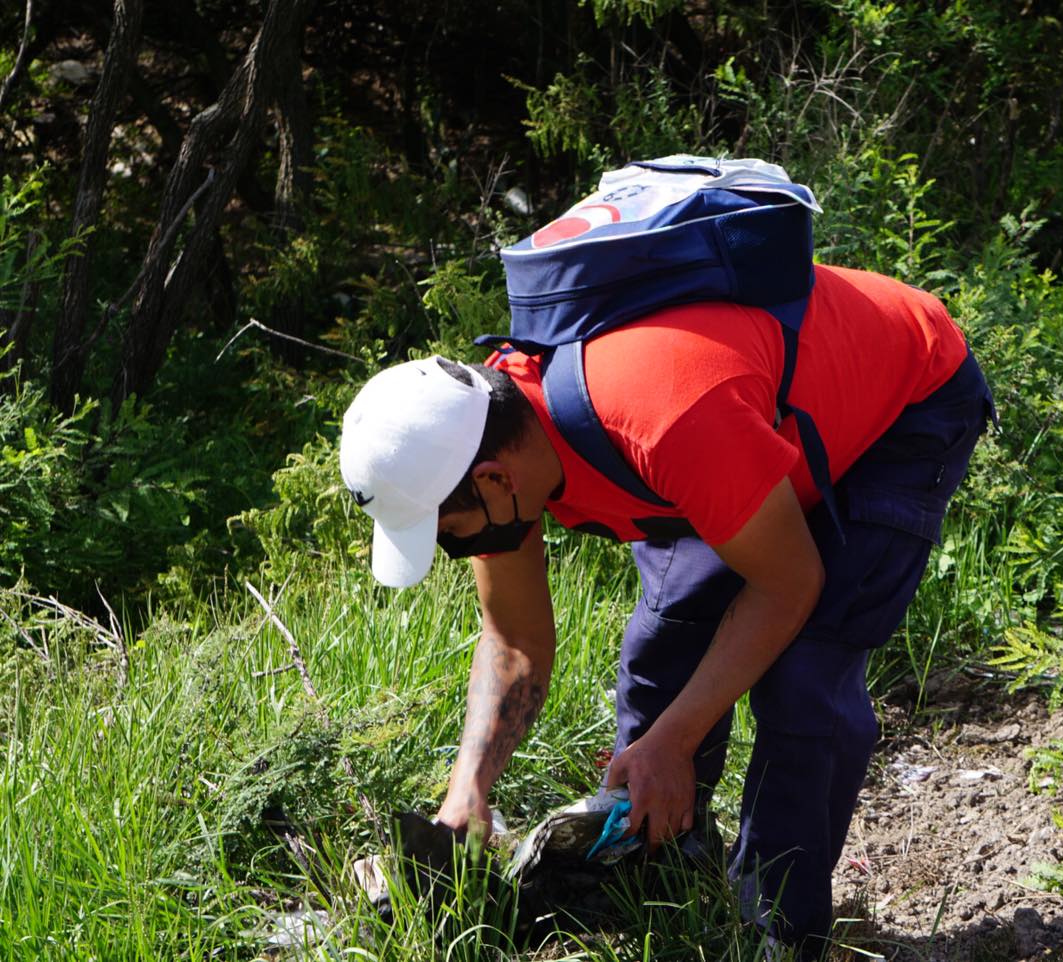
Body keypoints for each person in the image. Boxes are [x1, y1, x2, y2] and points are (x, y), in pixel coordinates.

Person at [338, 262, 994, 956]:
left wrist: (675, 741)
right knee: (665, 648)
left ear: (494, 481)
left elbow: (787, 585)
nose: (450, 548)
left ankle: (773, 934)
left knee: (804, 681)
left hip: (901, 403)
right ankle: (667, 881)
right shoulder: (487, 438)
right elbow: (515, 640)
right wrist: (468, 791)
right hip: (743, 433)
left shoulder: (659, 417)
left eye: (446, 533)